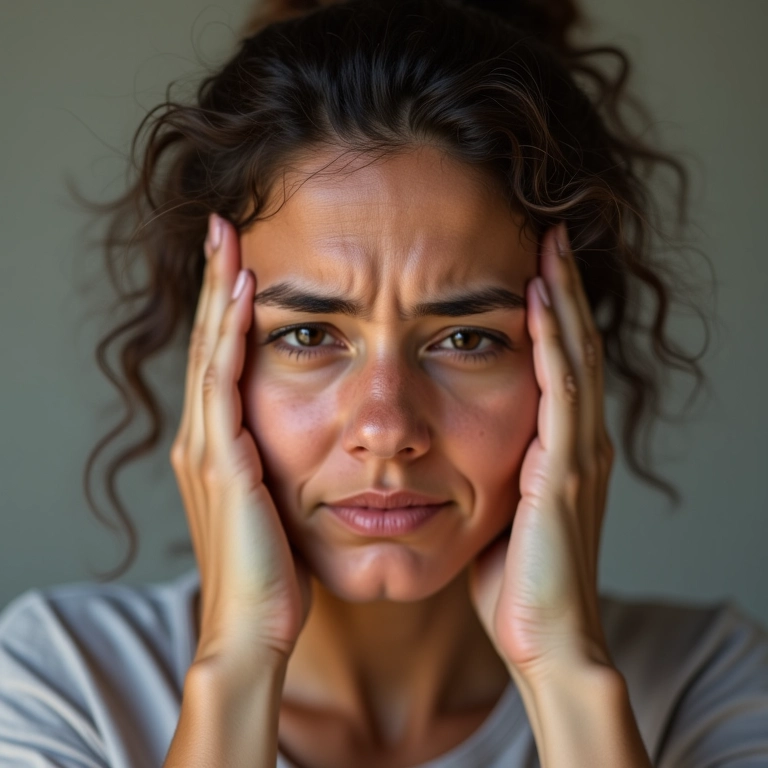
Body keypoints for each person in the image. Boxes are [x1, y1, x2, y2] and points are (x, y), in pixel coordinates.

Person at [1, 0, 767, 766]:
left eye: (466, 339)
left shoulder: (708, 685)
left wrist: (565, 671)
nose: (386, 427)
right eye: (308, 335)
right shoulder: (62, 683)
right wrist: (238, 667)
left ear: (571, 362)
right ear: (215, 358)